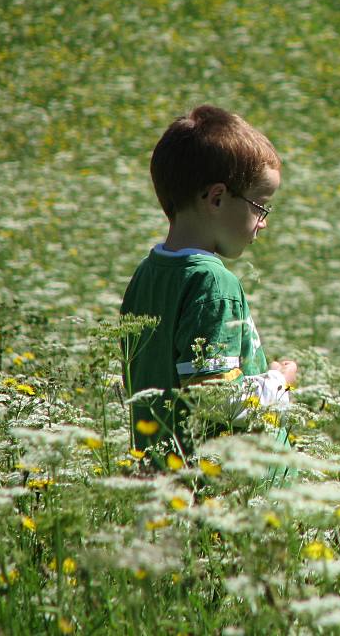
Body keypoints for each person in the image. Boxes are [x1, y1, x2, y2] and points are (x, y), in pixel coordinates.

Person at [120, 104, 296, 462]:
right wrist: (278, 383)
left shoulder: (148, 273)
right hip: (221, 489)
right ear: (216, 198)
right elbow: (211, 401)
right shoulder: (214, 284)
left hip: (164, 475)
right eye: (260, 206)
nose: (262, 221)